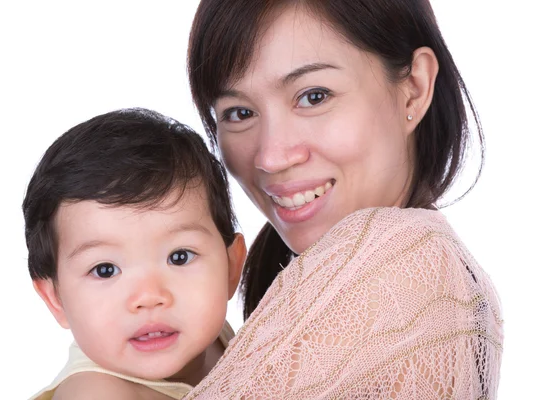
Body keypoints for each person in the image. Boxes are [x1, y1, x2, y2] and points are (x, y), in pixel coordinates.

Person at [185, 0, 503, 398]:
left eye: (314, 96)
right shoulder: (427, 266)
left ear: (414, 88)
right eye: (239, 112)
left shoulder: (401, 260)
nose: (270, 157)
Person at [23, 108, 246, 399]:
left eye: (179, 256)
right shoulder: (96, 394)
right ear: (56, 300)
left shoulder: (213, 336)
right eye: (105, 269)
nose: (149, 296)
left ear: (231, 266)